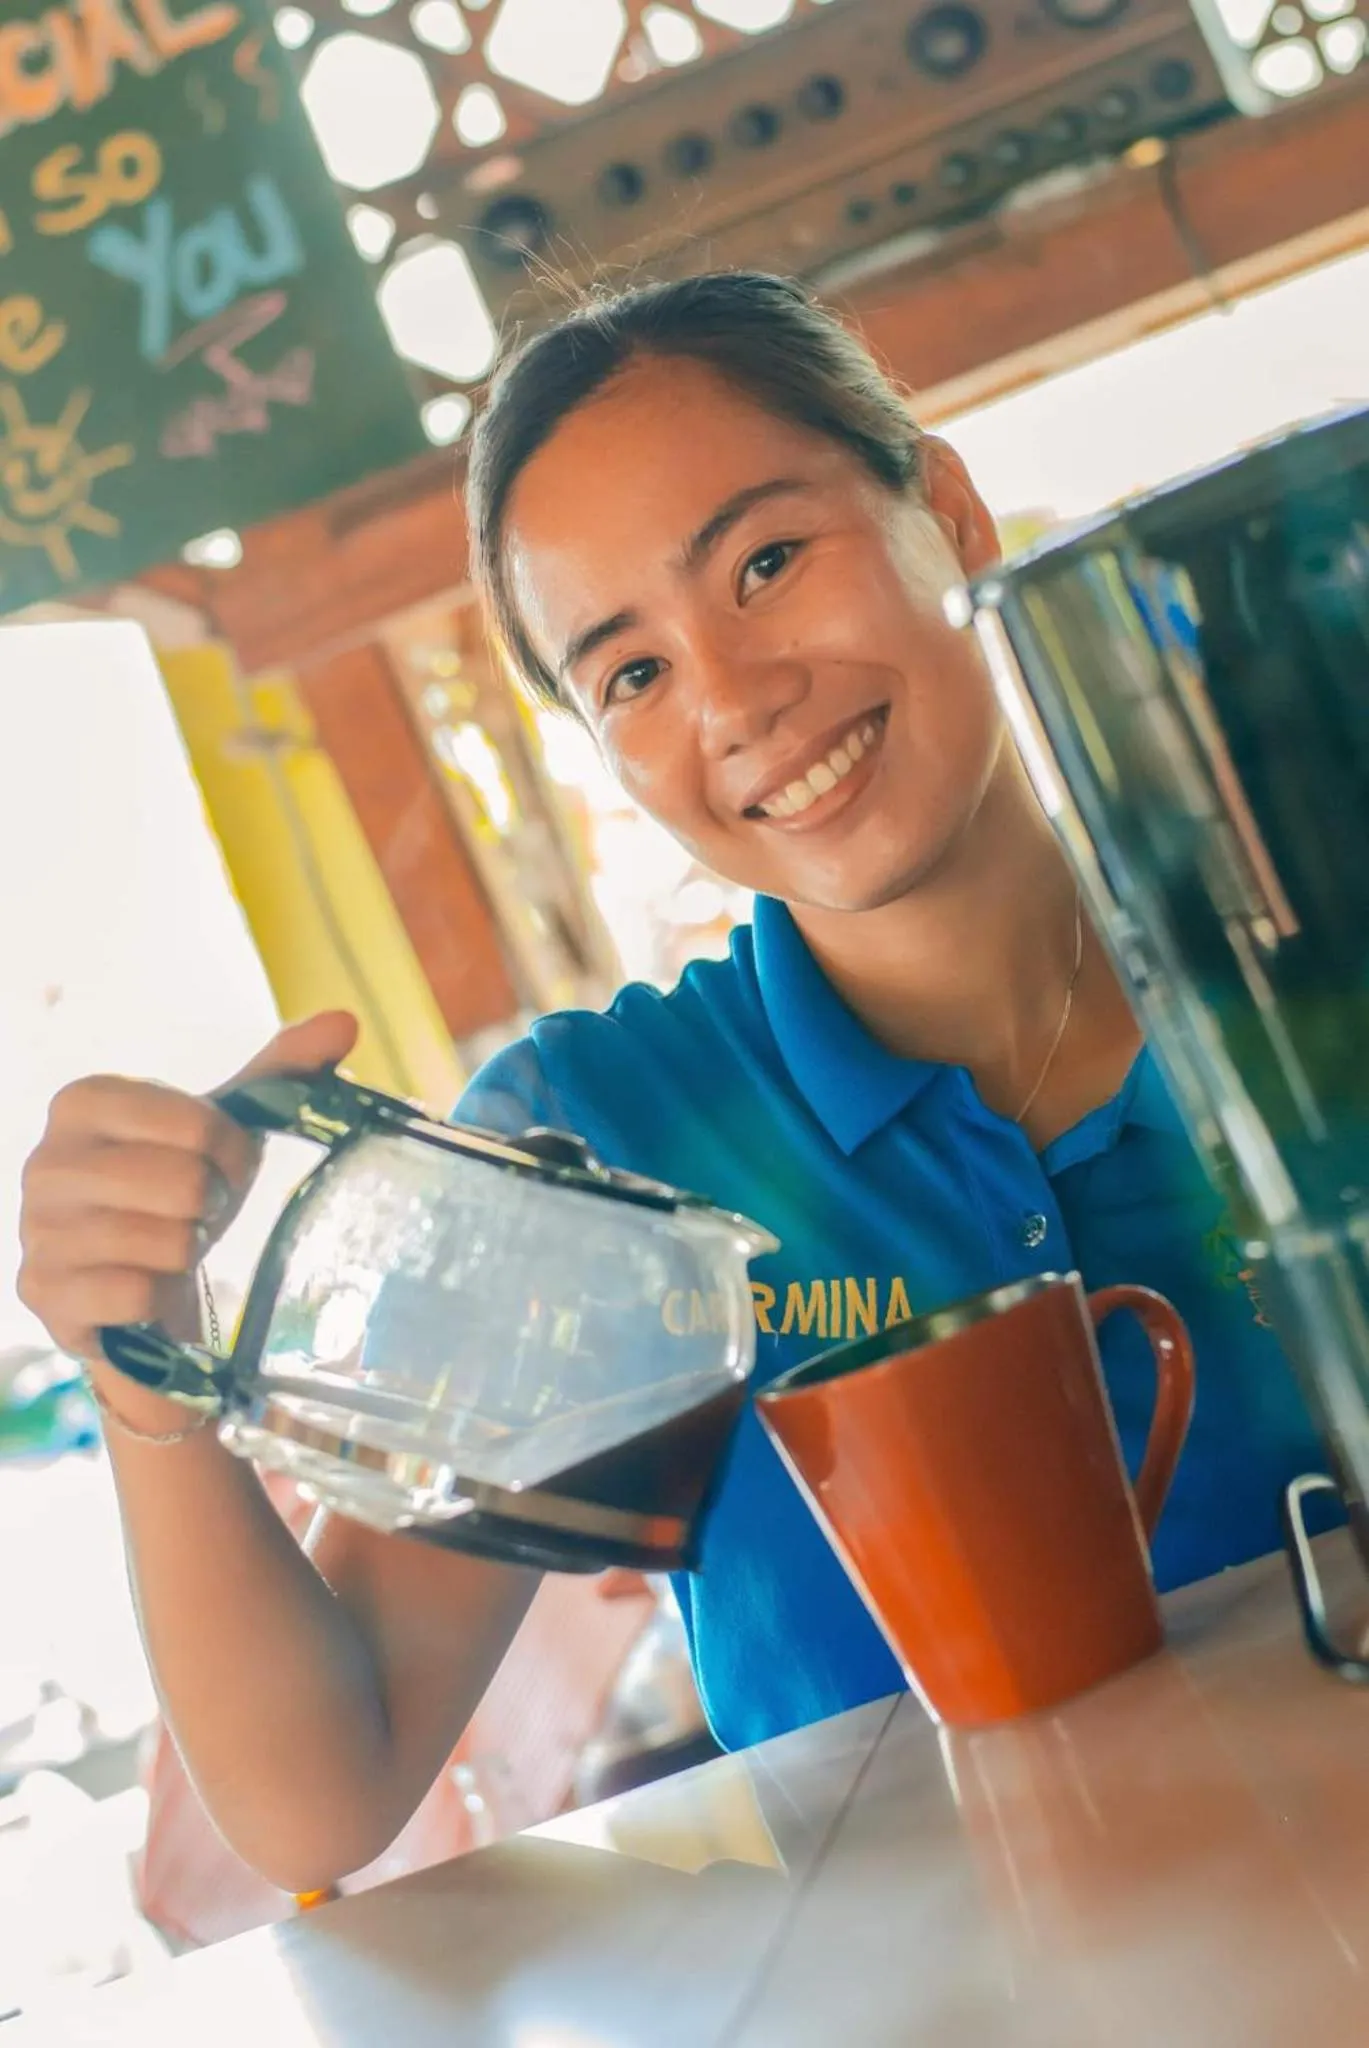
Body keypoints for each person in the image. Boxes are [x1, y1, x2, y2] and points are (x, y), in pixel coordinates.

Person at [17, 272, 1325, 1895]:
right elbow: (322, 1790)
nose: (733, 695)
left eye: (767, 563)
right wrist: (146, 1361)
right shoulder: (605, 1147)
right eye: (629, 674)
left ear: (950, 509)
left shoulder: (1299, 942)